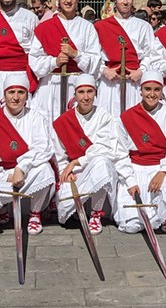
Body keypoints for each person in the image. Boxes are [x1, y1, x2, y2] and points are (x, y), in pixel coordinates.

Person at [0, 74, 55, 234]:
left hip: (27, 172)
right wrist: (6, 176)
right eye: (11, 92)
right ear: (4, 95)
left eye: (21, 92)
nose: (16, 97)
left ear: (27, 96)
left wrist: (21, 168)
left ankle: (35, 214)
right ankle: (0, 208)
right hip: (1, 174)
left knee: (45, 170)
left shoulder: (36, 118)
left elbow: (43, 148)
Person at [52, 74, 131, 234]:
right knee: (64, 214)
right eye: (81, 92)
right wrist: (66, 171)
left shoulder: (105, 117)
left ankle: (96, 213)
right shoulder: (63, 121)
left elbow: (104, 149)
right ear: (75, 95)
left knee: (101, 164)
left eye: (90, 92)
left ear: (96, 93)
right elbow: (58, 154)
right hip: (74, 172)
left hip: (95, 166)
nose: (86, 97)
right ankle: (75, 210)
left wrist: (77, 161)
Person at [114, 71, 166, 233]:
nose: (152, 94)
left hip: (161, 167)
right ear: (140, 90)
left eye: (156, 90)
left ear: (162, 92)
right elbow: (120, 153)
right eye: (148, 89)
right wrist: (130, 180)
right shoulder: (126, 117)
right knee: (131, 226)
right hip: (136, 169)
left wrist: (163, 172)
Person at [28, 0, 102, 125]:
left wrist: (76, 54)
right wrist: (54, 62)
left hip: (78, 85)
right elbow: (34, 60)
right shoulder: (45, 28)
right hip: (50, 85)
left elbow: (95, 60)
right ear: (58, 1)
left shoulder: (87, 27)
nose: (68, 0)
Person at [93, 0, 166, 116]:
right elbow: (93, 54)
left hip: (134, 82)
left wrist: (141, 71)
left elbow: (151, 53)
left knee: (133, 123)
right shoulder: (100, 26)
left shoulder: (143, 26)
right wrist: (104, 71)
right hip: (110, 82)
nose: (125, 2)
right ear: (115, 0)